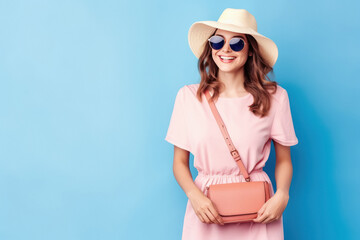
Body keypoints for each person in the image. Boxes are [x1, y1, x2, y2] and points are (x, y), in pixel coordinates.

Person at [165, 8, 298, 240]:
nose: (225, 49)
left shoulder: (276, 97)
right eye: (217, 41)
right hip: (207, 208)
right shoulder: (188, 97)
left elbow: (285, 160)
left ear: (250, 52)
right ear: (210, 48)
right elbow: (179, 162)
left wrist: (282, 196)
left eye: (237, 43)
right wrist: (194, 196)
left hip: (259, 211)